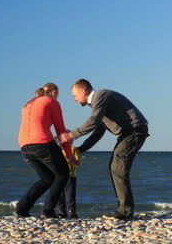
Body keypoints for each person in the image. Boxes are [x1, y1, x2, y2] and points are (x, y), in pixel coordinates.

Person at [60, 79, 149, 221]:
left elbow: (93, 121)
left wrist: (72, 135)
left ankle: (125, 211)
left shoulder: (100, 96)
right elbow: (98, 132)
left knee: (118, 168)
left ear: (84, 91)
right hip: (129, 133)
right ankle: (123, 209)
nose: (75, 100)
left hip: (135, 131)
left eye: (74, 96)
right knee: (114, 167)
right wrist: (81, 149)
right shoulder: (98, 103)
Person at [17, 82, 77, 219]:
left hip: (24, 147)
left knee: (47, 178)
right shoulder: (51, 102)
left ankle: (21, 208)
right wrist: (69, 155)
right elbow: (61, 131)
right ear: (54, 92)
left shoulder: (28, 104)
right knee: (63, 174)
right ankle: (48, 211)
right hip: (42, 143)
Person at [55, 146, 82, 219]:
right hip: (58, 176)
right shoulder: (55, 149)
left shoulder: (73, 149)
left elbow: (79, 163)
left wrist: (73, 160)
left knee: (70, 196)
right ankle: (61, 213)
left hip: (70, 175)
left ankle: (72, 213)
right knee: (59, 196)